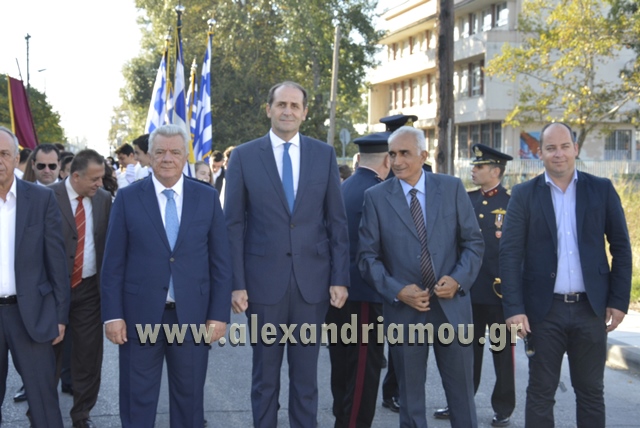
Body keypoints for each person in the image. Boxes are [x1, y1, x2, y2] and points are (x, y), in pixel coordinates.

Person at [225, 81, 349, 428]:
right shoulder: (244, 156)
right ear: (269, 109)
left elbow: (337, 222)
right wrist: (236, 283)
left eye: (295, 106)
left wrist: (340, 278)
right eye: (281, 104)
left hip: (313, 285)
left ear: (305, 113)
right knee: (265, 378)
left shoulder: (323, 155)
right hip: (262, 286)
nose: (288, 111)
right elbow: (232, 224)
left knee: (306, 379)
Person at [500, 122, 632, 427]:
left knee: (591, 392)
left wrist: (618, 300)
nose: (558, 154)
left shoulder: (601, 189)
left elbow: (622, 249)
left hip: (591, 309)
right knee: (541, 392)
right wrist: (514, 308)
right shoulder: (523, 194)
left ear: (576, 149)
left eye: (564, 147)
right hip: (543, 312)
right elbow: (509, 254)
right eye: (550, 148)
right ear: (540, 153)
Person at [101, 124, 233, 428]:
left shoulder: (207, 197)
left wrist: (218, 315)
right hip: (139, 317)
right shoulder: (128, 198)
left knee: (190, 400)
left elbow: (221, 263)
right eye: (160, 152)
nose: (167, 158)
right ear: (149, 155)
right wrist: (113, 316)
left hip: (192, 317)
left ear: (185, 156)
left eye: (175, 152)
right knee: (137, 399)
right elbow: (113, 263)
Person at [358, 126, 484, 428]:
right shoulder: (376, 197)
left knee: (462, 397)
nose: (397, 161)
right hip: (405, 312)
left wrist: (457, 279)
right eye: (392, 154)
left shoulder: (452, 188)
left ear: (424, 155)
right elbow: (366, 258)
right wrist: (398, 290)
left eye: (405, 153)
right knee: (410, 401)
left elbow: (474, 243)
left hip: (452, 310)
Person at [434, 144, 515, 427]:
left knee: (502, 354)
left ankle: (503, 407)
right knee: (466, 352)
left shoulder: (511, 203)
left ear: (495, 171)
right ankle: (461, 402)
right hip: (468, 291)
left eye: (479, 167)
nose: (474, 170)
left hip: (499, 294)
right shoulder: (466, 199)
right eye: (474, 166)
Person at [0, 127, 69, 428]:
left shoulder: (41, 199)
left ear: (17, 158)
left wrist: (60, 315)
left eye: (4, 154)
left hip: (31, 314)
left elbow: (56, 261)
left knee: (43, 402)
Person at [327, 132, 390, 428]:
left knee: (342, 369)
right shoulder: (377, 191)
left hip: (338, 293)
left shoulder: (346, 186)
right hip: (365, 294)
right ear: (387, 160)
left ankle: (342, 420)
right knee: (363, 373)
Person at [50, 150, 111, 428]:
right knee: (48, 357)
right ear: (75, 176)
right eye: (94, 179)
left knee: (88, 356)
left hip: (89, 290)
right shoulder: (47, 197)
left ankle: (82, 415)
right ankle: (42, 414)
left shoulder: (103, 200)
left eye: (102, 178)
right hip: (53, 292)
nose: (100, 183)